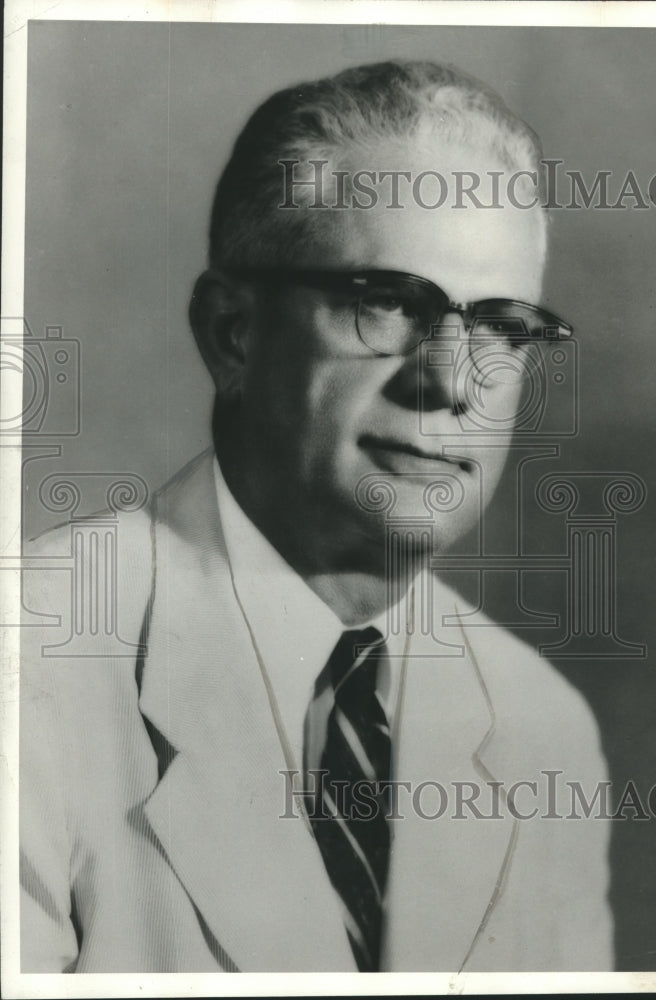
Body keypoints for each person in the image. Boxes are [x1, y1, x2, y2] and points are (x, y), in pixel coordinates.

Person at [20, 60, 612, 973]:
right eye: (385, 302)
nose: (453, 381)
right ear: (233, 334)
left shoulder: (541, 725)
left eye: (499, 325)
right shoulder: (31, 664)